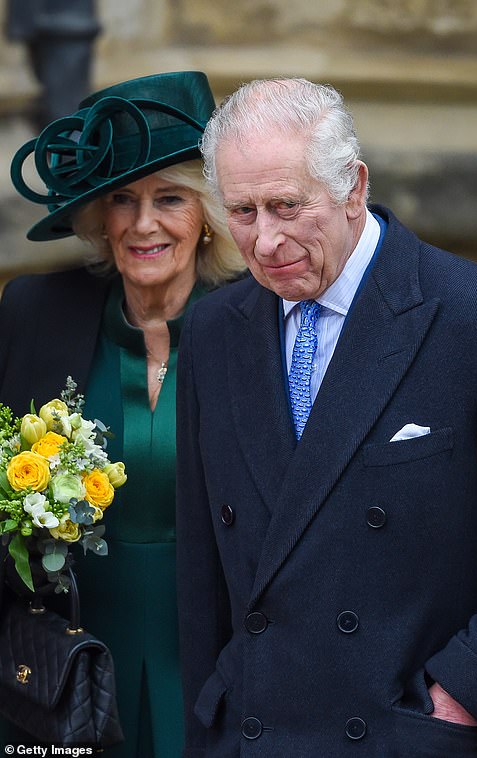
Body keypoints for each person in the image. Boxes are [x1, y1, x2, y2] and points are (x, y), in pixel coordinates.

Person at [175, 77, 477, 757]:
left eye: (287, 206)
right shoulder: (212, 331)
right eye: (242, 212)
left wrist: (466, 693)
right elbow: (204, 568)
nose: (264, 240)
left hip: (407, 735)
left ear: (353, 187)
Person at [0, 71, 245, 756]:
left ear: (206, 217)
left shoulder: (263, 329)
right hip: (60, 668)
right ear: (98, 219)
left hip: (214, 662)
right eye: (122, 200)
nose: (144, 224)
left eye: (170, 198)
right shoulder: (32, 314)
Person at [4, 0, 101, 130]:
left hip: (62, 26)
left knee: (65, 111)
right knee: (60, 107)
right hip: (54, 24)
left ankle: (67, 146)